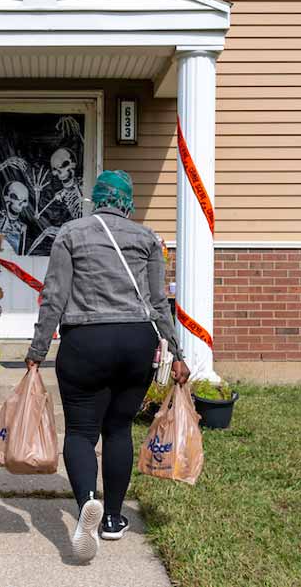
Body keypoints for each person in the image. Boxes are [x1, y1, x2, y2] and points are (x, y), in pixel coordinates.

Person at [24, 169, 190, 564]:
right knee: (117, 429)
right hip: (137, 342)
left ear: (95, 199)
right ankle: (113, 519)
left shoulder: (70, 233)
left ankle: (86, 503)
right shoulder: (147, 238)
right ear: (127, 202)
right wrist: (178, 353)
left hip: (86, 342)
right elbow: (157, 303)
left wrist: (37, 348)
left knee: (81, 432)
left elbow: (54, 297)